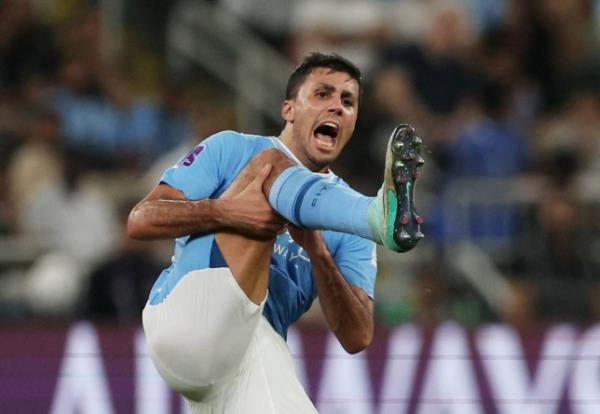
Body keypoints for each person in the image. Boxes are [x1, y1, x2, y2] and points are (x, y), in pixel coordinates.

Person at [127, 52, 424, 413]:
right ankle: (378, 220)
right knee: (270, 165)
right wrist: (226, 211)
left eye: (348, 101)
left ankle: (376, 219)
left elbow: (358, 336)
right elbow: (140, 220)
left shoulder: (342, 223)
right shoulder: (233, 149)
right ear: (288, 109)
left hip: (251, 347)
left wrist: (317, 250)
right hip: (188, 312)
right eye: (322, 94)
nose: (336, 107)